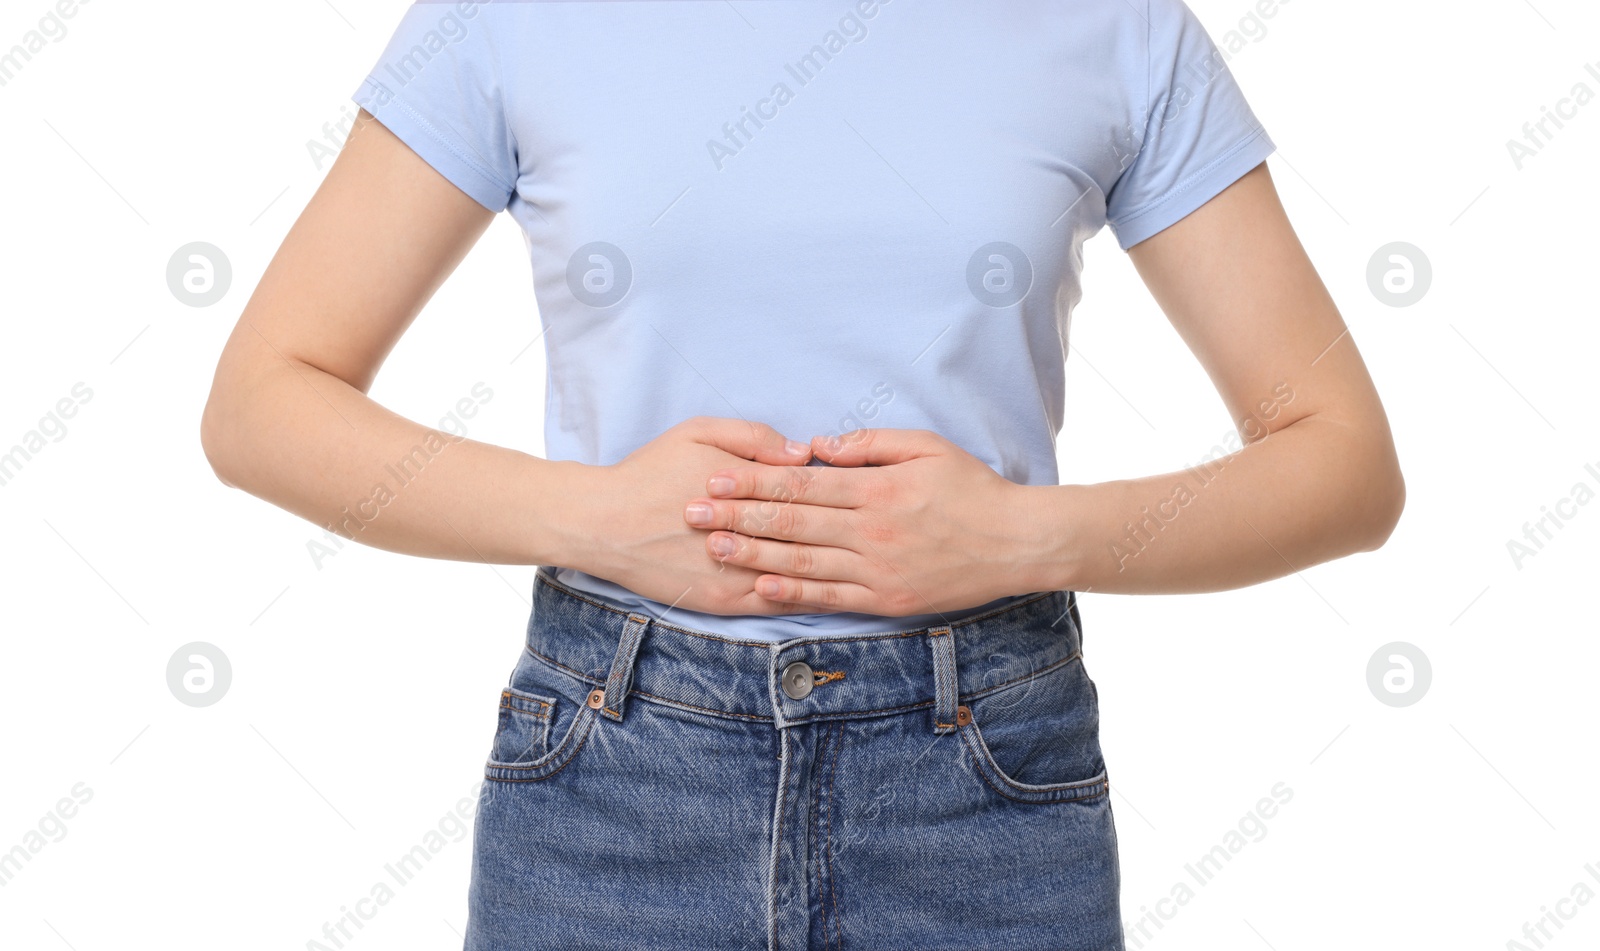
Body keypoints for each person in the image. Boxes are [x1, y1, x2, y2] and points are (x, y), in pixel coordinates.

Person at [200, 1, 1404, 948]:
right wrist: (599, 519)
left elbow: (1341, 462)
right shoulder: (517, 16)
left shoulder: (1116, 26)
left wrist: (1021, 537)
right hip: (614, 779)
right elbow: (262, 403)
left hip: (980, 777)